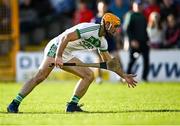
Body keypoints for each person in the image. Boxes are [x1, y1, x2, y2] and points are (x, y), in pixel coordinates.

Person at [7, 13, 137, 113]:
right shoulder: (90, 28)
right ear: (107, 24)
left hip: (67, 53)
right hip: (57, 46)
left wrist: (123, 75)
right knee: (40, 76)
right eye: (115, 26)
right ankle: (14, 104)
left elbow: (109, 62)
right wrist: (58, 56)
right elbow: (66, 37)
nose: (116, 29)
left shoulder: (103, 42)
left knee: (89, 75)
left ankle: (72, 106)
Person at [125, 0, 149, 81]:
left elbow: (146, 30)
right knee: (131, 61)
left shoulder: (143, 15)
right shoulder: (131, 15)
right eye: (137, 5)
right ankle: (127, 77)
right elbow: (127, 29)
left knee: (146, 60)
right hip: (135, 42)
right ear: (134, 6)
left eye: (140, 5)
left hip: (144, 42)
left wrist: (148, 40)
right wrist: (132, 40)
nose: (138, 7)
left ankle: (144, 78)